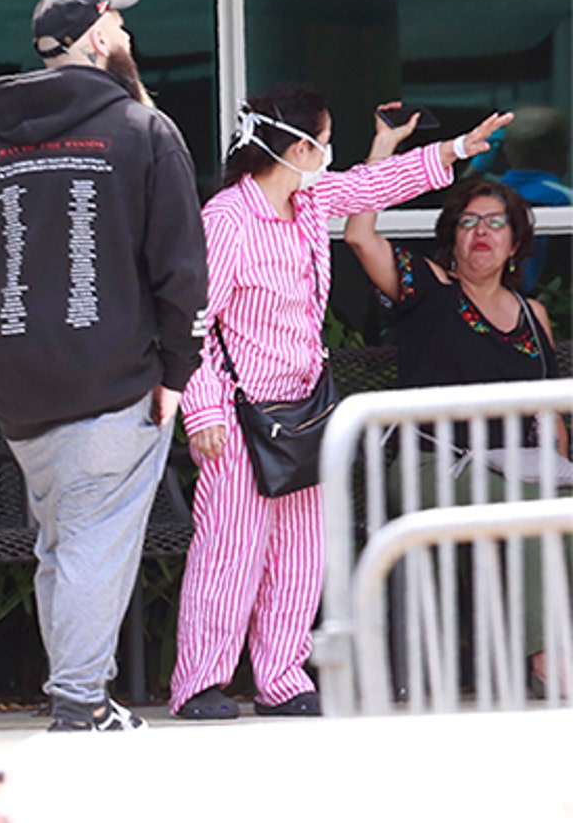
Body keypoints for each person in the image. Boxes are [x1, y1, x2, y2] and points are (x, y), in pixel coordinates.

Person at [170, 86, 510, 721]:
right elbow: (193, 324)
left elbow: (366, 189)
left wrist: (457, 149)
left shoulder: (306, 203)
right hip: (242, 415)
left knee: (301, 553)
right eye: (323, 143)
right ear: (296, 148)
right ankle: (202, 682)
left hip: (305, 407)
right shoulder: (227, 221)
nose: (328, 154)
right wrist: (206, 412)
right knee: (230, 552)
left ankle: (282, 677)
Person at [0, 0, 208, 733]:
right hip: (113, 379)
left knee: (62, 540)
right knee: (95, 536)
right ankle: (79, 700)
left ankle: (78, 687)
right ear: (98, 39)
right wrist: (177, 374)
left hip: (18, 385)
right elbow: (181, 269)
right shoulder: (142, 130)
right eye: (118, 21)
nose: (126, 32)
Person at [345, 151, 568, 696]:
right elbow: (357, 235)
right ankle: (547, 664)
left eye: (496, 223)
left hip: (519, 465)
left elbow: (549, 413)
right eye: (468, 223)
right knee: (526, 509)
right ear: (452, 238)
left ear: (516, 244)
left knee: (549, 508)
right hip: (431, 465)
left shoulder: (532, 314)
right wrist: (381, 153)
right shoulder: (429, 289)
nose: (481, 233)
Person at [494, 106, 572, 291]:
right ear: (563, 148)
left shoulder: (485, 196)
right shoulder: (564, 201)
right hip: (553, 307)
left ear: (506, 149)